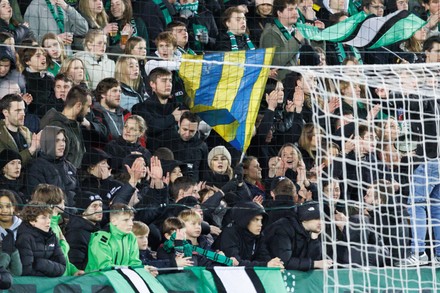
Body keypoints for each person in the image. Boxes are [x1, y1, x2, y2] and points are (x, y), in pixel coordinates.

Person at [86, 203, 157, 276]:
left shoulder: (131, 237)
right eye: (126, 220)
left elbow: (135, 262)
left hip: (121, 279)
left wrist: (143, 271)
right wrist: (136, 270)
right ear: (114, 221)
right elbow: (105, 267)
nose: (131, 223)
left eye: (131, 219)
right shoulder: (101, 239)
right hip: (98, 281)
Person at [263, 201, 333, 271]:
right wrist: (314, 264)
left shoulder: (311, 231)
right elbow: (284, 262)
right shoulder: (283, 228)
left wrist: (314, 240)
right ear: (304, 219)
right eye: (317, 218)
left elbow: (312, 262)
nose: (321, 223)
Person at [132, 67, 187, 152]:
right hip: (155, 156)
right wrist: (172, 117)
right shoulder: (141, 108)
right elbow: (152, 128)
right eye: (164, 81)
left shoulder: (178, 106)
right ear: (152, 84)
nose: (168, 84)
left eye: (170, 80)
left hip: (180, 155)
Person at [31, 184, 83, 276]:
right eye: (60, 199)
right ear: (53, 203)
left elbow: (64, 259)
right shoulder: (46, 227)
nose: (64, 201)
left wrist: (73, 271)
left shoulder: (55, 225)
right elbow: (55, 257)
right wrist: (63, 243)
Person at [215, 201, 285, 268]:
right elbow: (236, 263)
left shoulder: (258, 236)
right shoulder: (230, 233)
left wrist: (275, 264)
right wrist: (265, 265)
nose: (260, 224)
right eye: (256, 220)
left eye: (261, 220)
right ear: (245, 220)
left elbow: (264, 257)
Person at [25, 126, 79, 207]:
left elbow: (79, 192)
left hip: (75, 213)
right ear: (47, 142)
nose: (62, 144)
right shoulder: (36, 166)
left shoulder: (70, 166)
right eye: (57, 140)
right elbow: (38, 197)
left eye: (63, 140)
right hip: (51, 214)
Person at [40, 85, 91, 168]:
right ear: (78, 105)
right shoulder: (55, 126)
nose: (88, 111)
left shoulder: (75, 125)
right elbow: (53, 162)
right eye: (88, 106)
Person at [15, 201, 66, 277]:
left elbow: (62, 267)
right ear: (32, 220)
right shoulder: (24, 238)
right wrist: (49, 273)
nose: (48, 221)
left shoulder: (52, 237)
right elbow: (26, 271)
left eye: (49, 217)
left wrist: (41, 264)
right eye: (44, 218)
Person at [260, 0, 304, 81]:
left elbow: (314, 55)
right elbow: (276, 61)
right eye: (290, 10)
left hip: (302, 81)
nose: (295, 13)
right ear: (279, 13)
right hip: (283, 86)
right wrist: (296, 41)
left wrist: (319, 38)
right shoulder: (270, 34)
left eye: (296, 9)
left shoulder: (298, 30)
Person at [161, 111, 208, 182]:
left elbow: (204, 172)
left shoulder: (202, 146)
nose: (187, 134)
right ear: (179, 123)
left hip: (193, 187)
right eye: (185, 129)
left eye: (192, 131)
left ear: (197, 129)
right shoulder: (167, 140)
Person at [65, 190, 103, 270]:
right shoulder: (75, 233)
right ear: (83, 210)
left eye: (100, 205)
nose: (99, 209)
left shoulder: (98, 230)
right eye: (94, 206)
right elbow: (76, 267)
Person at [0, 94, 40, 165]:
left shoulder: (26, 132)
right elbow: (6, 164)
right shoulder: (1, 136)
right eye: (18, 110)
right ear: (6, 112)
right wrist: (30, 150)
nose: (23, 114)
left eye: (23, 110)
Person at [24, 0, 88, 44]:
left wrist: (67, 8)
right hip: (46, 58)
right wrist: (55, 39)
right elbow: (31, 39)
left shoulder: (64, 7)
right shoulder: (35, 6)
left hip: (66, 57)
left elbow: (83, 30)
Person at [20, 45, 55, 118]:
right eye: (38, 56)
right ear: (28, 61)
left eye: (43, 55)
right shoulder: (21, 80)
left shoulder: (50, 78)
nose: (43, 58)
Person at [0, 189, 22, 276]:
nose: (4, 211)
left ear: (14, 207)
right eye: (0, 207)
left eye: (8, 206)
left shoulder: (24, 228)